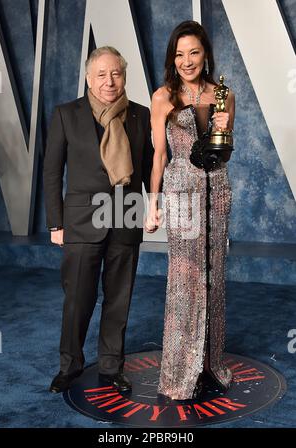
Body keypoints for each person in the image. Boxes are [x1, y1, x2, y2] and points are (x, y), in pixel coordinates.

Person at [43, 46, 154, 394]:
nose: (110, 81)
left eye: (116, 73)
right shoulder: (66, 114)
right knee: (78, 297)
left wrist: (157, 203)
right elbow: (51, 172)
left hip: (126, 215)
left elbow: (151, 168)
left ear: (124, 77)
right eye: (102, 74)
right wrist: (55, 224)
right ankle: (70, 366)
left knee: (118, 298)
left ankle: (111, 367)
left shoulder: (140, 114)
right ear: (90, 79)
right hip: (80, 222)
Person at [145, 21, 235, 400]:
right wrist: (153, 204)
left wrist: (225, 128)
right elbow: (159, 154)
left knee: (214, 277)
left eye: (194, 52)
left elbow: (225, 150)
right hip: (181, 191)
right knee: (185, 282)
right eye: (179, 54)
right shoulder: (162, 97)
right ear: (172, 58)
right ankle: (182, 371)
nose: (187, 61)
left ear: (205, 54)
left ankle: (211, 365)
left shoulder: (224, 95)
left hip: (217, 190)